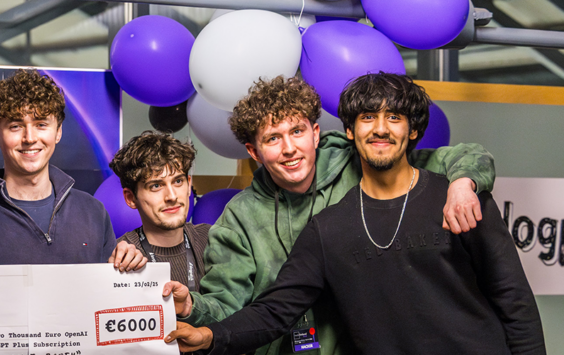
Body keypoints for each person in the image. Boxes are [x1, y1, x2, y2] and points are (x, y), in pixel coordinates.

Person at [165, 72, 544, 354]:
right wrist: (208, 332)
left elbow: (514, 302)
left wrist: (465, 182)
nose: (381, 129)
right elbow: (273, 310)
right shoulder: (322, 228)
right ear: (349, 130)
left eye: (394, 118)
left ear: (316, 133)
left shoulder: (457, 195)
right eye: (272, 139)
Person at [0, 69, 145, 269]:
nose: (30, 138)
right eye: (15, 126)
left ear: (58, 132)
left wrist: (127, 266)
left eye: (41, 124)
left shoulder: (93, 213)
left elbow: (108, 297)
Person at [110, 131, 210, 291]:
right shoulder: (122, 257)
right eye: (156, 185)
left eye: (178, 181)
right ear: (130, 198)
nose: (171, 196)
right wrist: (113, 274)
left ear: (189, 185)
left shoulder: (213, 240)